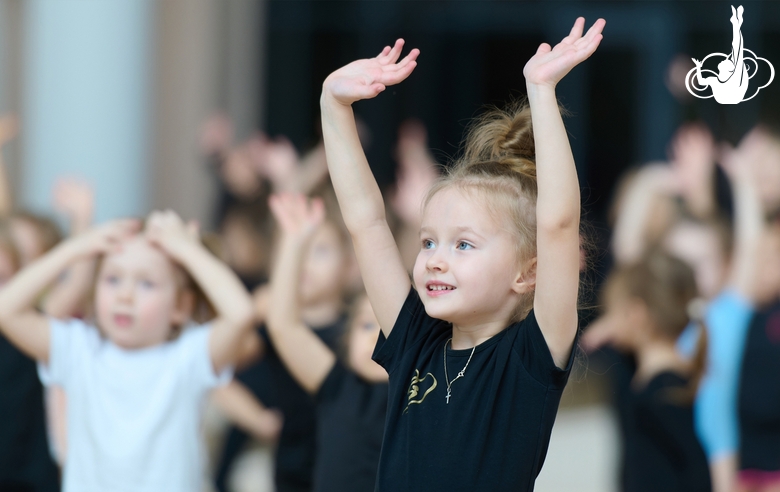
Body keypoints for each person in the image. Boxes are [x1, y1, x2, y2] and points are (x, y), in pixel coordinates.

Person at [319, 17, 604, 490]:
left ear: (526, 274)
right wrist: (333, 103)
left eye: (463, 244)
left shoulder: (530, 358)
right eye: (428, 241)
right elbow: (366, 222)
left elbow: (556, 225)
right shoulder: (416, 342)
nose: (434, 258)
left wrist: (541, 91)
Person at [0, 210, 255, 491]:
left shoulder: (187, 358)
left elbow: (241, 314)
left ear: (181, 306)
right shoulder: (79, 351)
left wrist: (187, 250)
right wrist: (77, 247)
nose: (125, 295)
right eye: (112, 279)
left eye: (146, 283)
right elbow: (7, 310)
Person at [265, 192, 388, 492]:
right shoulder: (339, 386)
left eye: (388, 328)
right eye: (366, 325)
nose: (375, 336)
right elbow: (283, 325)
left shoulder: (424, 395)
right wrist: (295, 241)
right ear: (347, 339)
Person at [587, 252, 712, 492]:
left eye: (612, 311)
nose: (608, 322)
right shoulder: (646, 380)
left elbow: (694, 473)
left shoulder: (663, 393)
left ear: (635, 314)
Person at [692, 5, 749, 104]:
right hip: (729, 98)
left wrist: (736, 26)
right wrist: (698, 67)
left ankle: (736, 23)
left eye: (727, 61)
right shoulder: (716, 80)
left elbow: (737, 49)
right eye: (728, 61)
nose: (725, 59)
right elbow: (701, 82)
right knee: (736, 50)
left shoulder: (732, 79)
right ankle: (736, 23)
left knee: (737, 50)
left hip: (733, 97)